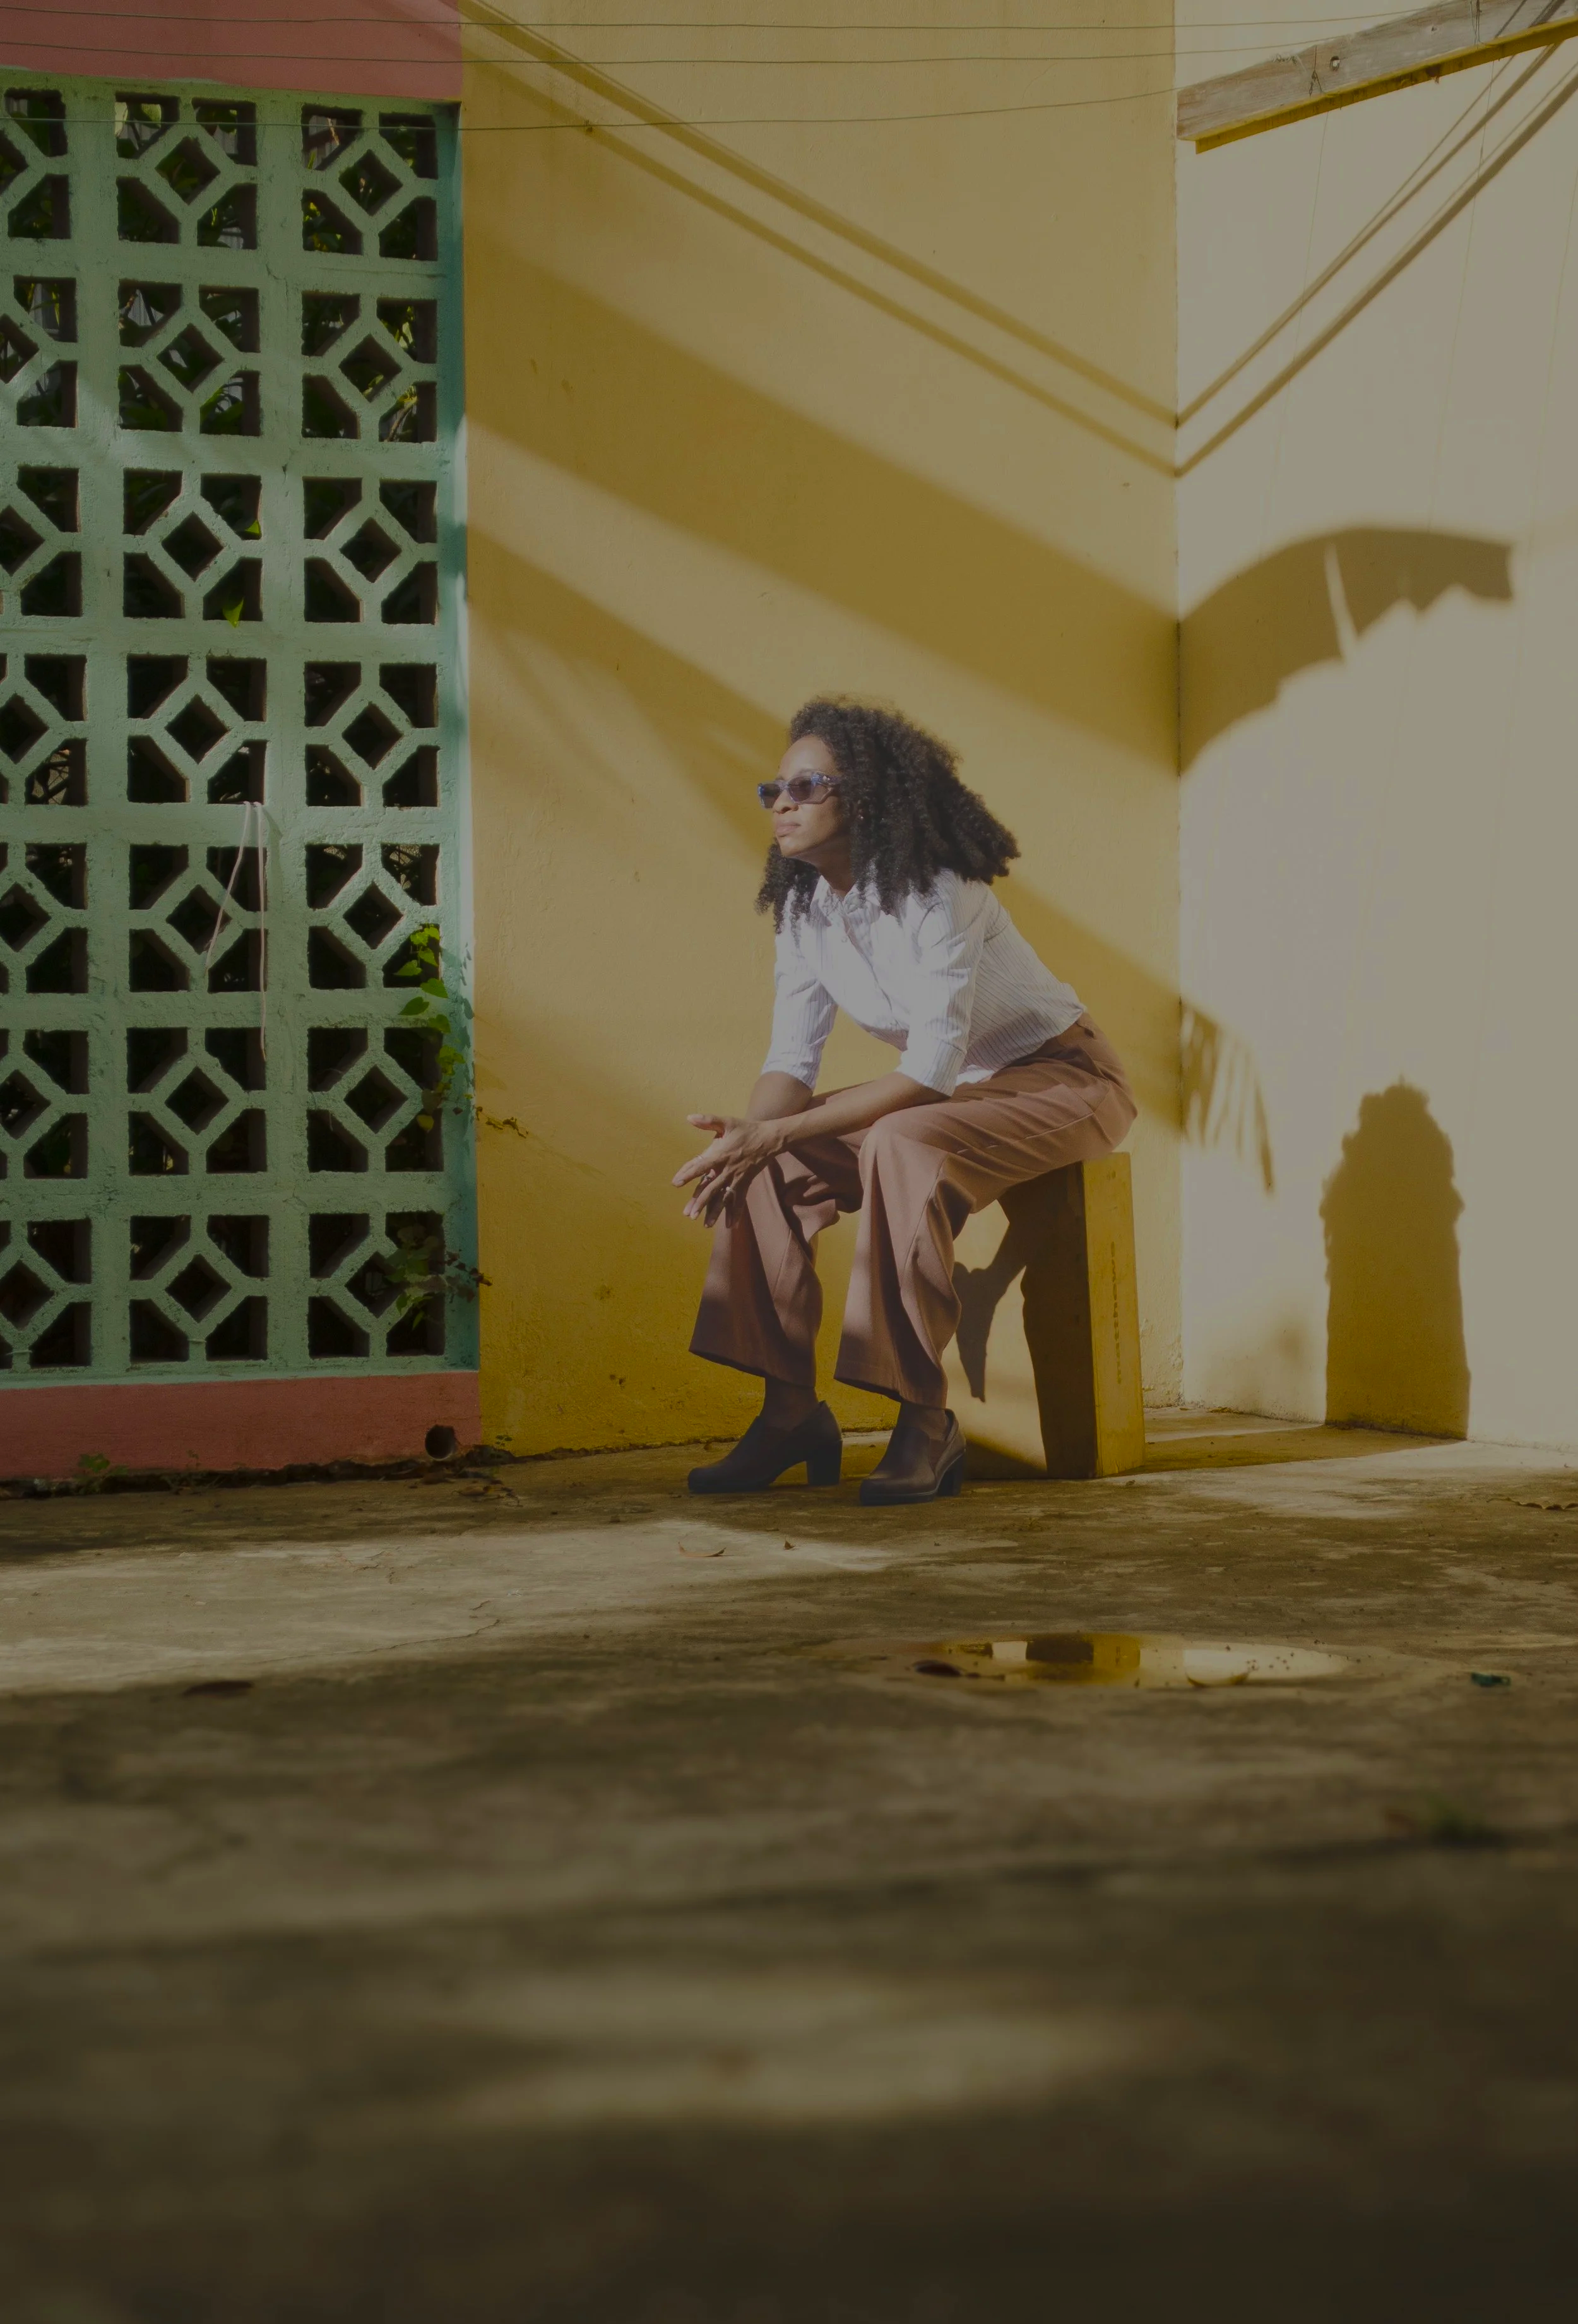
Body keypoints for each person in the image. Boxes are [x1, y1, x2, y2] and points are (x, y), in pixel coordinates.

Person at [675, 699, 1136, 1505]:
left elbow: (925, 1072)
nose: (780, 804)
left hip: (1067, 1080)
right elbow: (791, 1058)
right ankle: (790, 1413)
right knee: (766, 1160)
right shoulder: (806, 910)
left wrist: (775, 1130)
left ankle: (925, 1421)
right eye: (772, 789)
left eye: (806, 786)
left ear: (867, 797)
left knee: (902, 1142)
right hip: (964, 1094)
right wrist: (752, 1134)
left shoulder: (938, 890)